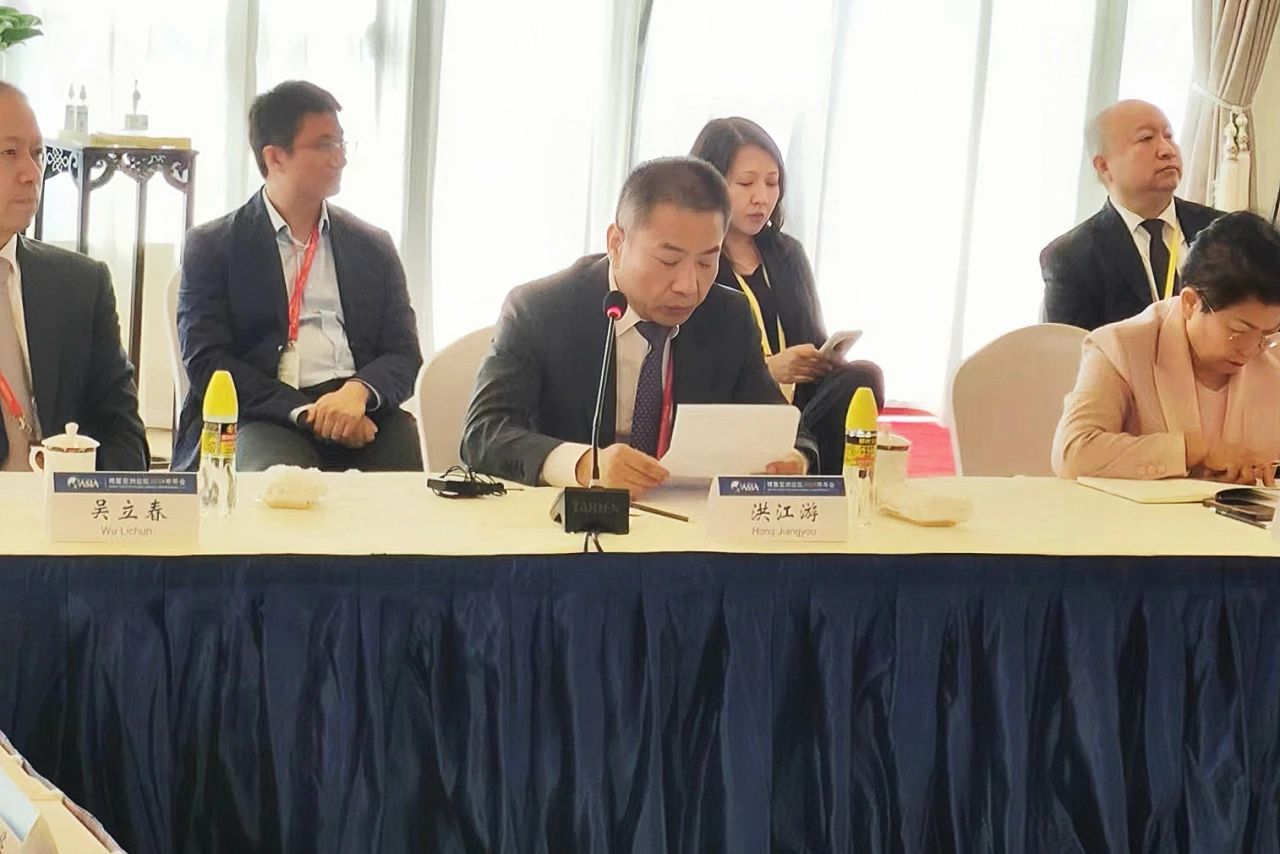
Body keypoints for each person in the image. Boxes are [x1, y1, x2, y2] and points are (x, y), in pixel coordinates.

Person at [462, 156, 814, 496]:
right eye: (669, 260)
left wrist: (794, 458)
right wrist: (584, 465)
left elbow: (782, 426)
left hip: (685, 521)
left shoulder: (728, 316)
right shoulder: (541, 309)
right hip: (568, 520)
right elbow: (485, 432)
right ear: (617, 243)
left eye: (707, 262)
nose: (688, 286)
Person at [175, 81, 422, 472]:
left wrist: (357, 393)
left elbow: (403, 353)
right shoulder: (214, 246)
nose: (340, 159)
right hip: (264, 413)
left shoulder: (372, 246)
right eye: (325, 145)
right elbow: (208, 362)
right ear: (275, 157)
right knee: (279, 482)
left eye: (341, 143)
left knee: (403, 478)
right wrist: (307, 413)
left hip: (359, 408)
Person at [690, 117, 884, 474]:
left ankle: (808, 466)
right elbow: (694, 369)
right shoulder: (695, 260)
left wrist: (822, 358)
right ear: (710, 184)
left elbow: (812, 338)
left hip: (800, 407)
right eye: (745, 183)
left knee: (864, 378)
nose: (761, 198)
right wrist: (770, 369)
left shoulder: (787, 253)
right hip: (736, 406)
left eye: (772, 182)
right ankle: (801, 460)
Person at [1052, 211, 1280, 485]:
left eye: (1267, 334)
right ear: (1190, 303)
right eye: (1238, 331)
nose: (1251, 350)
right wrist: (1193, 450)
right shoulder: (1121, 347)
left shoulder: (1272, 356)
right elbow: (1073, 452)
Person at [0, 83, 147, 472]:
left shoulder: (80, 284)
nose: (31, 173)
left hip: (66, 503)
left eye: (37, 153)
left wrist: (88, 497)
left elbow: (123, 434)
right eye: (9, 153)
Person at [1041, 100, 1222, 331]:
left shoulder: (1225, 231)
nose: (1167, 150)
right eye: (1146, 138)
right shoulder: (1071, 258)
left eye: (1169, 136)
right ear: (1103, 165)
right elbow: (1074, 349)